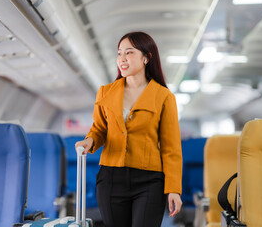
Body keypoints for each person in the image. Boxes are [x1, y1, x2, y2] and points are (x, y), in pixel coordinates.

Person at [75, 31, 183, 227]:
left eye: (129, 53)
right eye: (119, 53)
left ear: (146, 58)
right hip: (111, 179)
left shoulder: (164, 96)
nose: (122, 59)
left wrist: (174, 189)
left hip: (149, 181)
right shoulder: (106, 92)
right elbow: (99, 129)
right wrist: (89, 141)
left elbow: (171, 148)